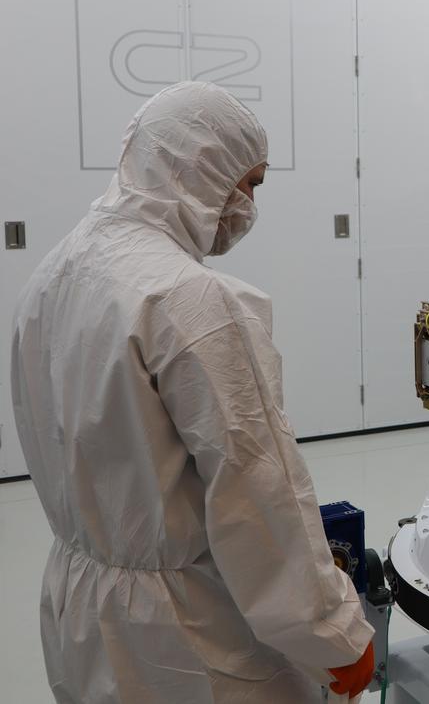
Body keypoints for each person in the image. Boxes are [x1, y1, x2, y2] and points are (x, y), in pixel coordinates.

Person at [9, 82, 374, 702]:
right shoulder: (190, 300)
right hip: (190, 634)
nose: (249, 206)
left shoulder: (53, 275)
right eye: (250, 183)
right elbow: (260, 494)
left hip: (81, 609)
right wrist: (333, 633)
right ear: (203, 168)